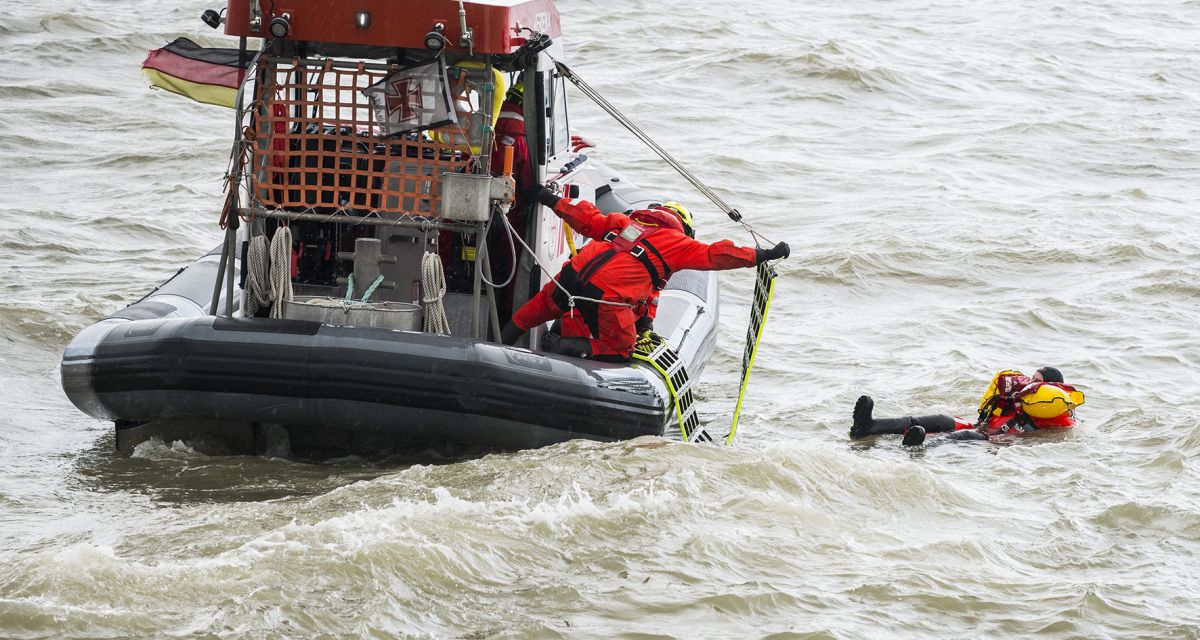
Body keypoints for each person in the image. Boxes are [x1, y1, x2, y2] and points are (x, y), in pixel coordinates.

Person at [501, 187, 789, 361]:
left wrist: (550, 199)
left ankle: (497, 346)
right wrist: (762, 255)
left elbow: (586, 219)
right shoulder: (677, 244)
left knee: (526, 317)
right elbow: (716, 255)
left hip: (570, 278)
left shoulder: (625, 222)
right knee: (619, 349)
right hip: (606, 296)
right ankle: (562, 345)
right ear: (683, 227)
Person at [849, 367, 1085, 446]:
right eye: (1031, 378)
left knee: (961, 436)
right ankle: (868, 427)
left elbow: (1062, 431)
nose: (1030, 383)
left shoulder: (1052, 411)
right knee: (940, 420)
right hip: (982, 427)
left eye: (1037, 381)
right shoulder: (1017, 395)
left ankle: (914, 447)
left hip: (993, 442)